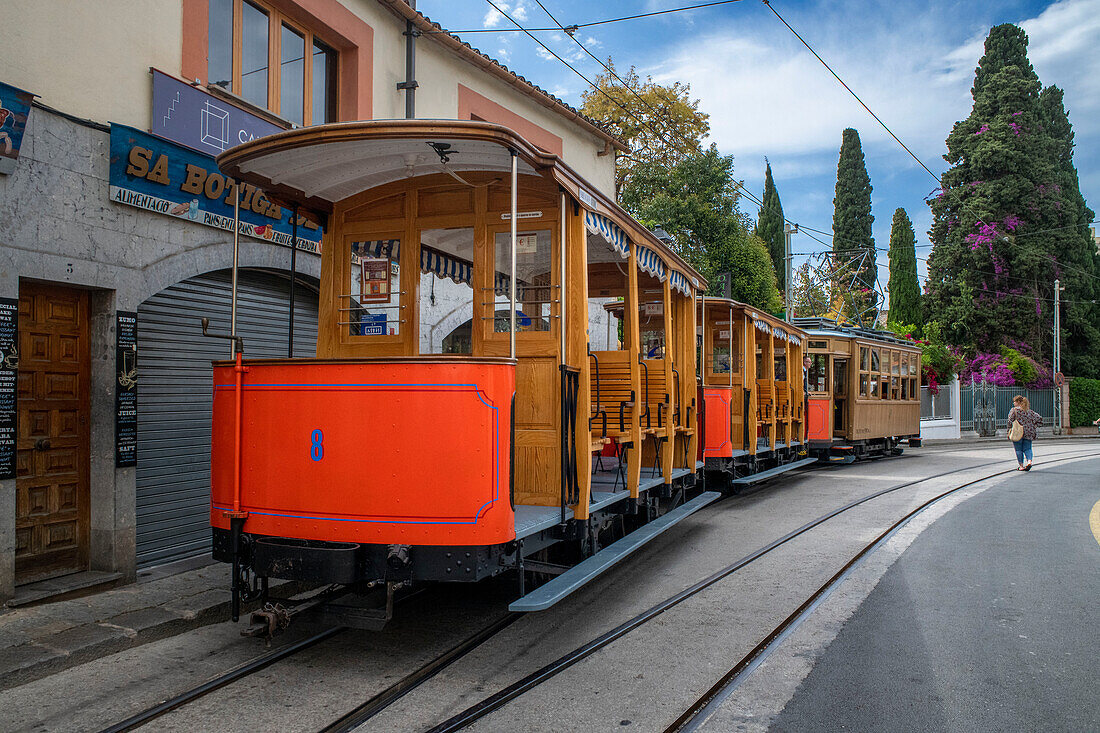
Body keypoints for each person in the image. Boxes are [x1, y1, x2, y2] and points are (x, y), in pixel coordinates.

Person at [1007, 395, 1042, 471]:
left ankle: (1021, 466)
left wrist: (1008, 431)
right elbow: (1039, 419)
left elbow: (1010, 421)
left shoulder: (1014, 410)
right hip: (1029, 432)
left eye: (1015, 401)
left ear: (1018, 402)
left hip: (1017, 432)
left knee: (1018, 449)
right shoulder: (1029, 411)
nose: (1014, 403)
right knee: (1028, 448)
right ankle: (1029, 462)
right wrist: (1034, 426)